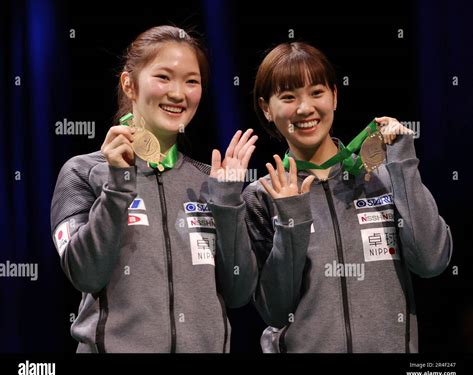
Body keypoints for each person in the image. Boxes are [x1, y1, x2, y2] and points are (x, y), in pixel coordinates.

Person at [50, 25, 258, 353]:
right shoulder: (83, 172)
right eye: (163, 77)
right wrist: (118, 185)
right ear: (129, 84)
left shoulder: (209, 181)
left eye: (192, 81)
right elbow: (85, 274)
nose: (178, 93)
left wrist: (228, 201)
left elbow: (239, 291)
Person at [243, 41, 452, 353]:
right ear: (266, 109)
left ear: (334, 96)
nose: (305, 108)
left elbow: (432, 261)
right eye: (288, 97)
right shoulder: (261, 197)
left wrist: (402, 163)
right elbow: (275, 309)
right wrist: (291, 216)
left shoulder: (383, 176)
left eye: (317, 92)